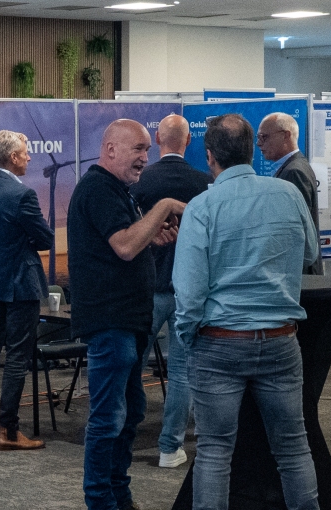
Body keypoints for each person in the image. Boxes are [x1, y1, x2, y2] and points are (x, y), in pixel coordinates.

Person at [165, 114, 323, 510]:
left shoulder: (202, 207)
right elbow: (312, 253)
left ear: (209, 157)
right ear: (253, 150)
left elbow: (188, 292)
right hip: (280, 341)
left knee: (214, 451)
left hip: (219, 343)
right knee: (293, 448)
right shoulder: (289, 194)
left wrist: (190, 337)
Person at [68, 119, 183, 510]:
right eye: (137, 148)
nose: (144, 158)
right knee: (108, 418)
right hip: (111, 321)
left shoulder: (117, 191)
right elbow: (124, 245)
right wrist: (164, 205)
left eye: (148, 150)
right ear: (110, 148)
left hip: (129, 321)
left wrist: (151, 231)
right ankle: (100, 509)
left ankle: (120, 500)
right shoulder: (98, 187)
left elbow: (127, 241)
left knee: (130, 413)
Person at [130, 114, 213, 469]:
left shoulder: (138, 181)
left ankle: (124, 438)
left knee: (131, 366)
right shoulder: (204, 183)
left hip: (147, 287)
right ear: (189, 141)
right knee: (181, 372)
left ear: (157, 139)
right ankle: (169, 448)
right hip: (189, 290)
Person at [0, 130, 54, 451]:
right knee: (17, 355)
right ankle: (8, 431)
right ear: (13, 157)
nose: (30, 157)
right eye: (26, 152)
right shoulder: (22, 195)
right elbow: (45, 239)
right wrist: (25, 239)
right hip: (21, 284)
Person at [259, 113, 321, 273]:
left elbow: (296, 230)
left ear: (286, 135)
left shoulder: (294, 172)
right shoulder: (293, 166)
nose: (259, 143)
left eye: (264, 137)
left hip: (299, 271)